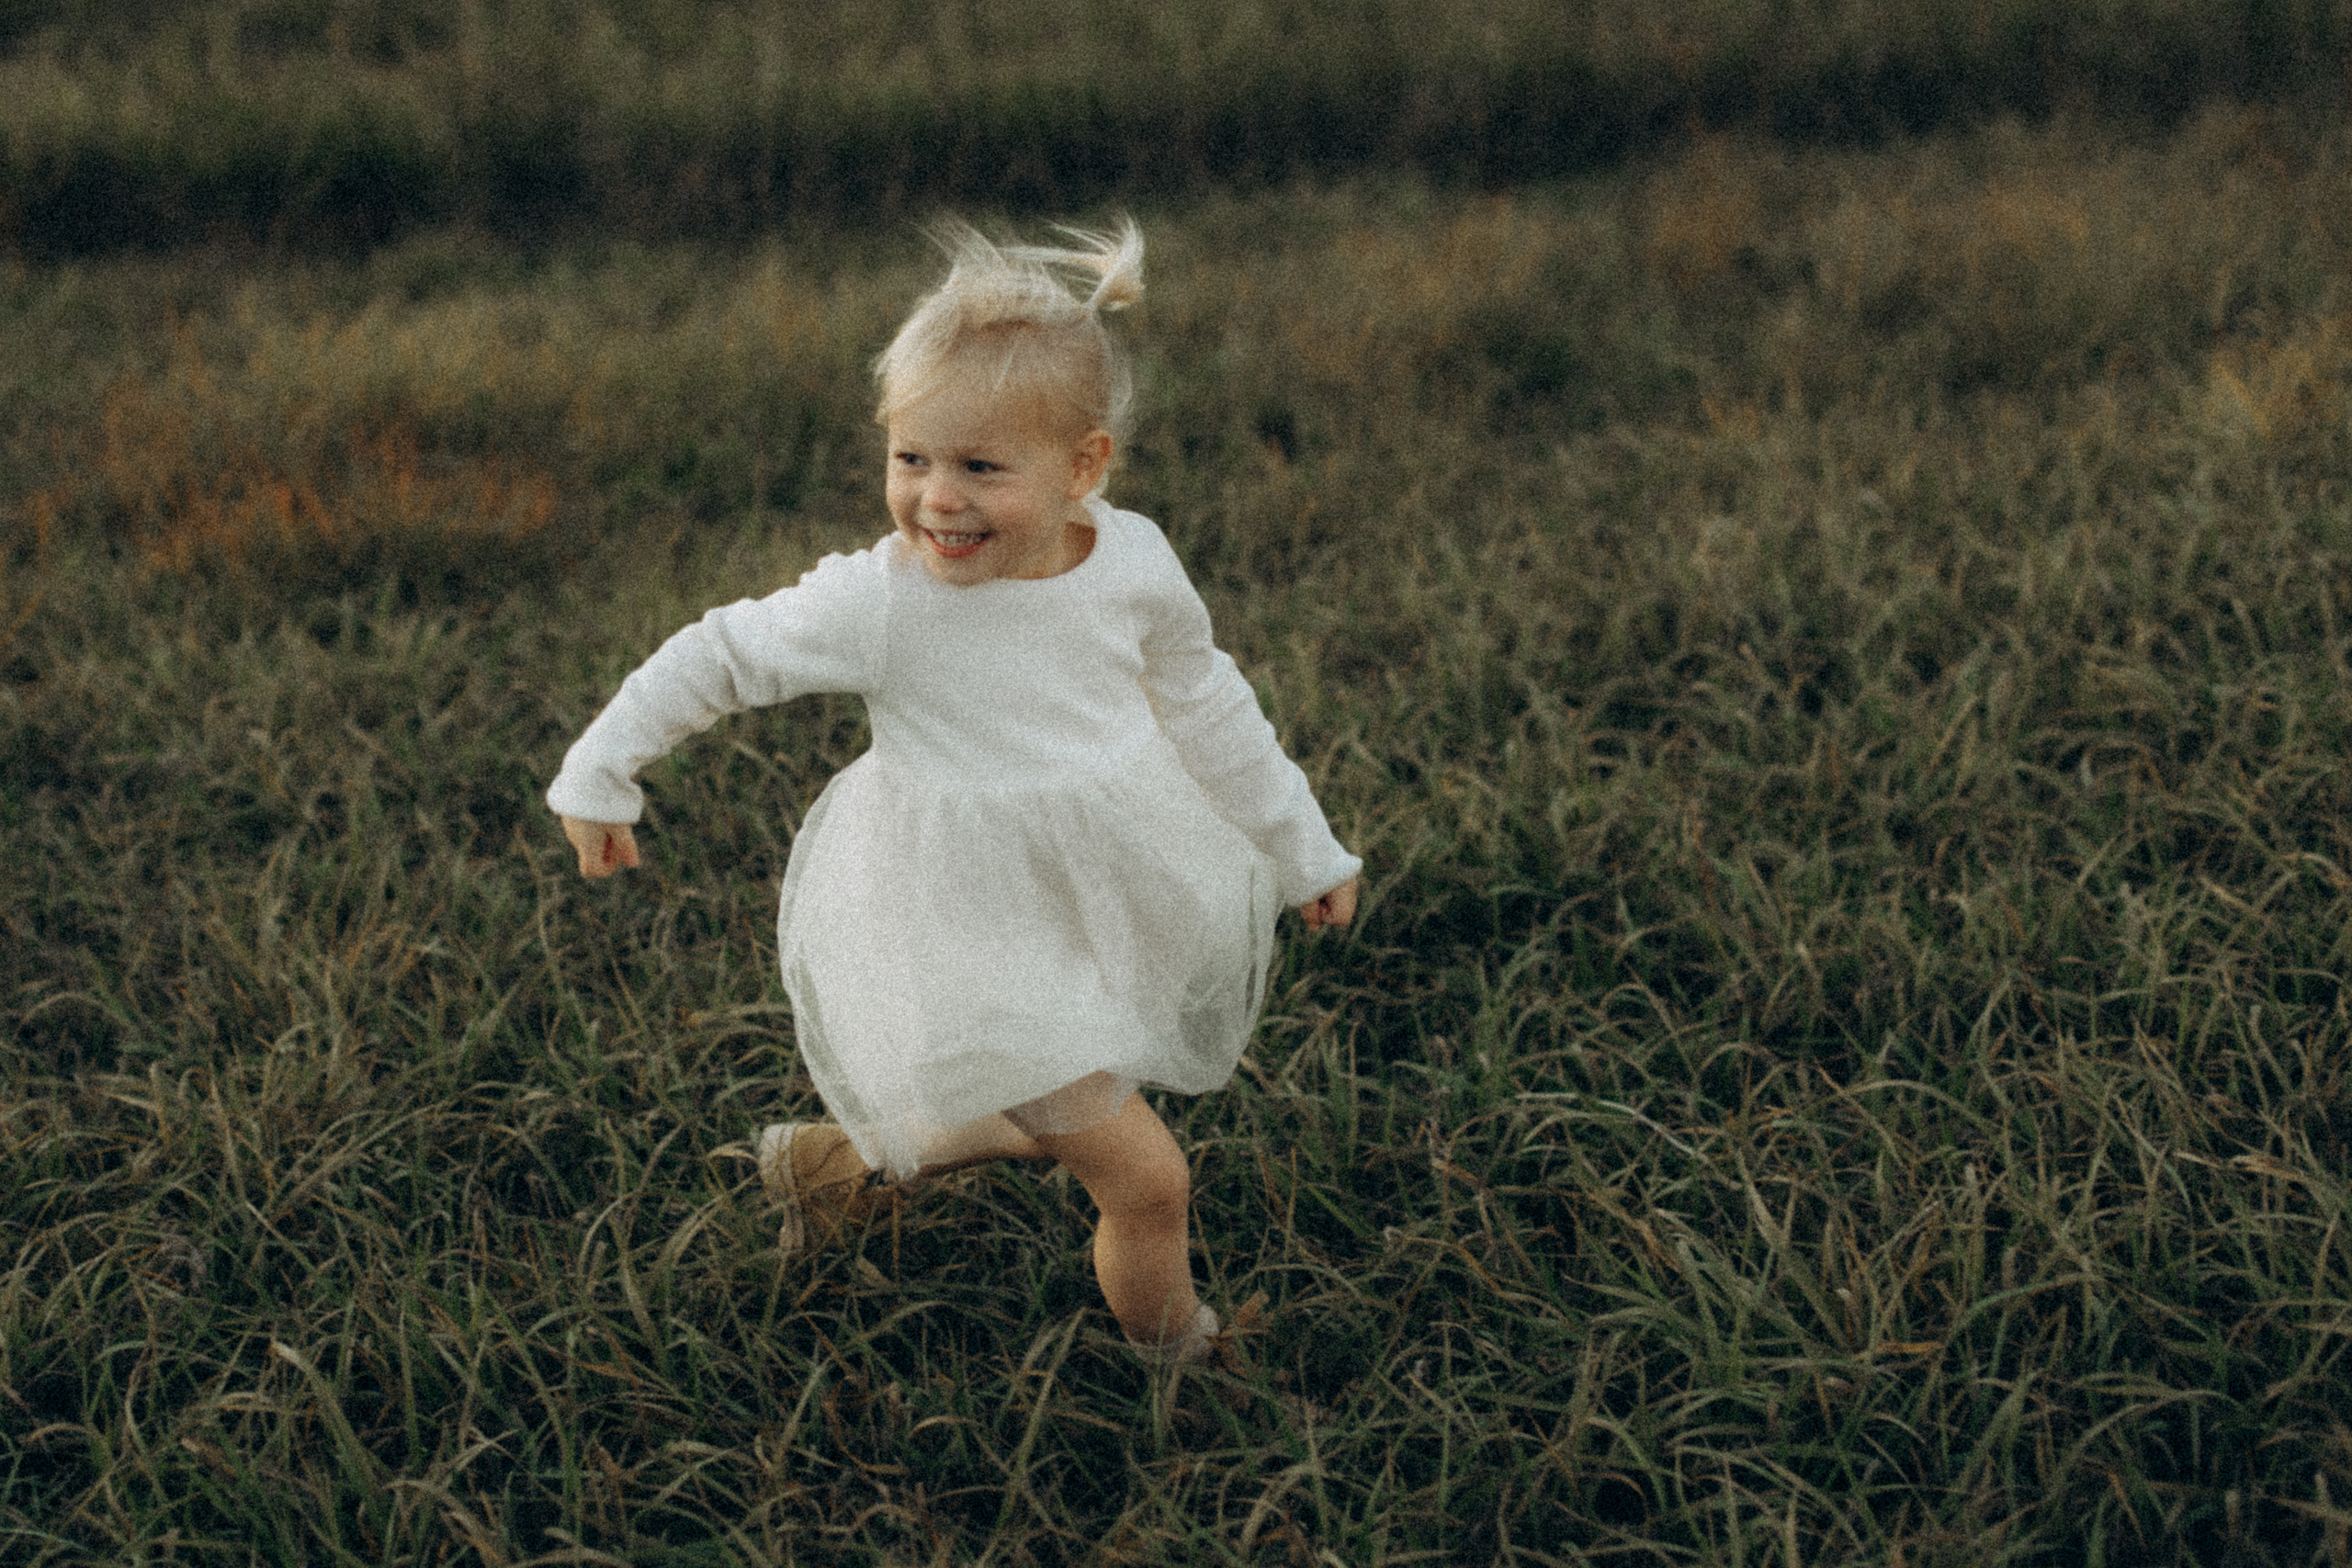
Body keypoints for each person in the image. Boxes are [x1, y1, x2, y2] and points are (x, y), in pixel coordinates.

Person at [546, 219, 1361, 1366]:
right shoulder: (884, 602)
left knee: (1050, 1108)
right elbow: (720, 654)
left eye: (981, 467)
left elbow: (1208, 704)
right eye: (911, 458)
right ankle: (1185, 1355)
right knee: (1147, 1179)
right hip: (967, 921)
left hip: (1099, 884)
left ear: (1083, 467)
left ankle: (828, 1165)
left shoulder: (1131, 566)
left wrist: (1303, 848)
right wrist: (600, 769)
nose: (937, 499)